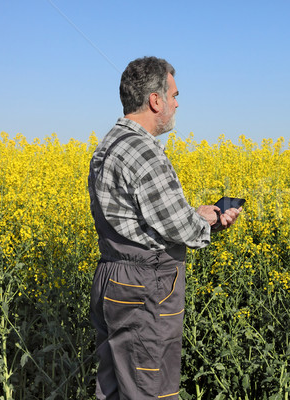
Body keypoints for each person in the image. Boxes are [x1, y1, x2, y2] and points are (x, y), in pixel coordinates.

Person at [88, 56, 241, 400]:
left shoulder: (110, 143)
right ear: (155, 101)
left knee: (115, 388)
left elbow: (143, 217)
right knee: (149, 389)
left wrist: (194, 213)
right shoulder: (144, 152)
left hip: (113, 278)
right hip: (145, 288)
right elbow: (178, 225)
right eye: (172, 95)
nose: (176, 103)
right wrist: (212, 220)